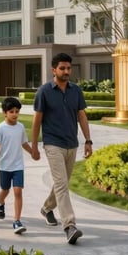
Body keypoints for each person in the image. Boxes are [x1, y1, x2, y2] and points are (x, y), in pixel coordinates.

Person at [31, 53, 92, 245]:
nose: (66, 72)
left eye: (68, 68)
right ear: (53, 70)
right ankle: (69, 226)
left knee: (62, 183)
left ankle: (47, 208)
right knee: (62, 184)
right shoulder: (44, 91)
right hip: (52, 143)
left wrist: (88, 141)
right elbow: (37, 120)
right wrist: (34, 145)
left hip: (71, 143)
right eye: (62, 68)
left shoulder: (76, 91)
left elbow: (82, 116)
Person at [0, 96, 37, 234]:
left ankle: (17, 221)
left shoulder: (20, 127)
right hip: (4, 166)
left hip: (18, 166)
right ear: (4, 112)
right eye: (11, 112)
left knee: (17, 191)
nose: (15, 114)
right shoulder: (0, 128)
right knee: (5, 190)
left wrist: (33, 153)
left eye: (17, 111)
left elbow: (24, 144)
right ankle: (0, 202)